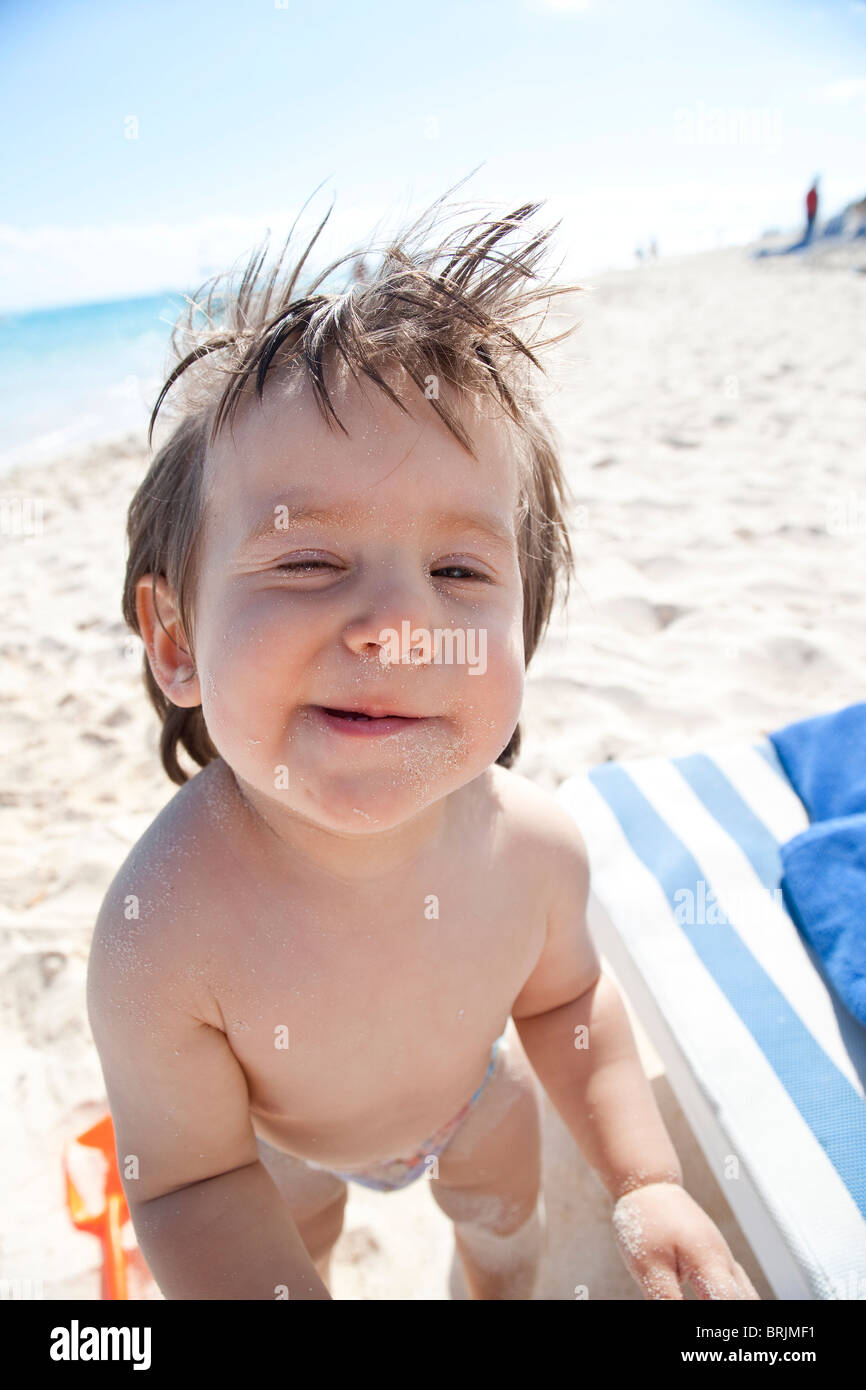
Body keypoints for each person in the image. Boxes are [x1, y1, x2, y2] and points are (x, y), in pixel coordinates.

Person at [87, 186, 760, 1302]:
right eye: (306, 562)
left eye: (458, 572)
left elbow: (561, 1002)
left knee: (507, 1238)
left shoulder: (531, 850)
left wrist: (644, 1180)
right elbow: (191, 1184)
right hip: (275, 1144)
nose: (398, 629)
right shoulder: (163, 931)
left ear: (523, 627)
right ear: (175, 638)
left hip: (468, 1100)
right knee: (289, 1244)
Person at [805, 178, 819, 242]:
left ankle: (810, 238)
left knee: (812, 225)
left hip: (813, 211)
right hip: (810, 212)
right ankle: (808, 238)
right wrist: (810, 209)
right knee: (810, 225)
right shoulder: (811, 193)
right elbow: (808, 202)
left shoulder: (814, 193)